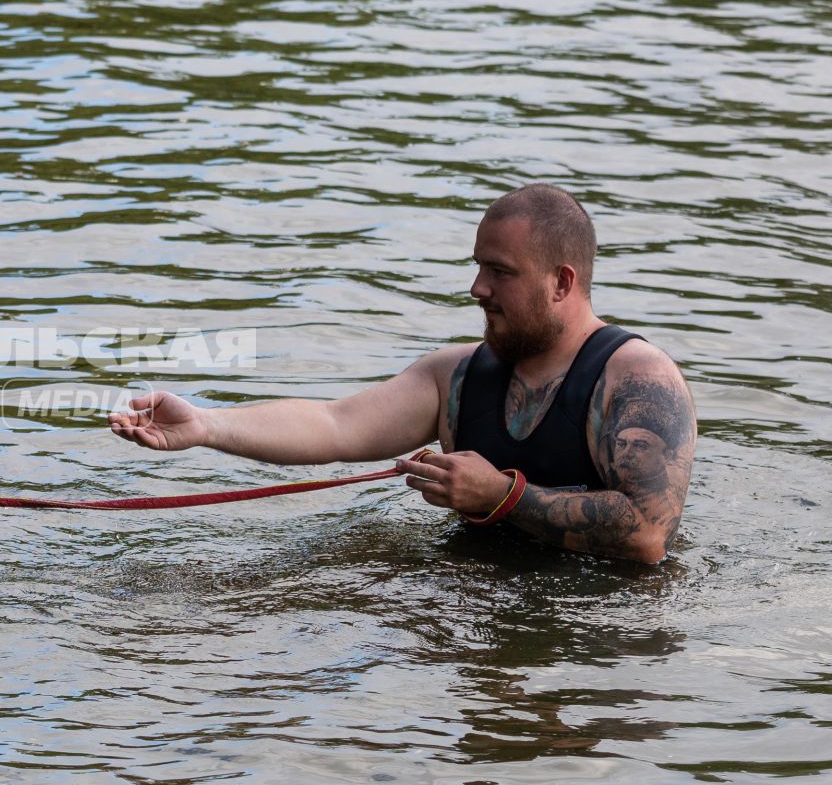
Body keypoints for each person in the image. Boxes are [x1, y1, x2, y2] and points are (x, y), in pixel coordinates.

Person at [108, 184, 695, 563]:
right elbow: (335, 425)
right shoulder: (456, 377)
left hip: (597, 640)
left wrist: (503, 496)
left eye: (500, 272)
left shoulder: (638, 378)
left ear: (561, 283)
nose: (477, 289)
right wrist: (207, 425)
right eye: (477, 268)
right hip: (472, 608)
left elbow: (646, 534)